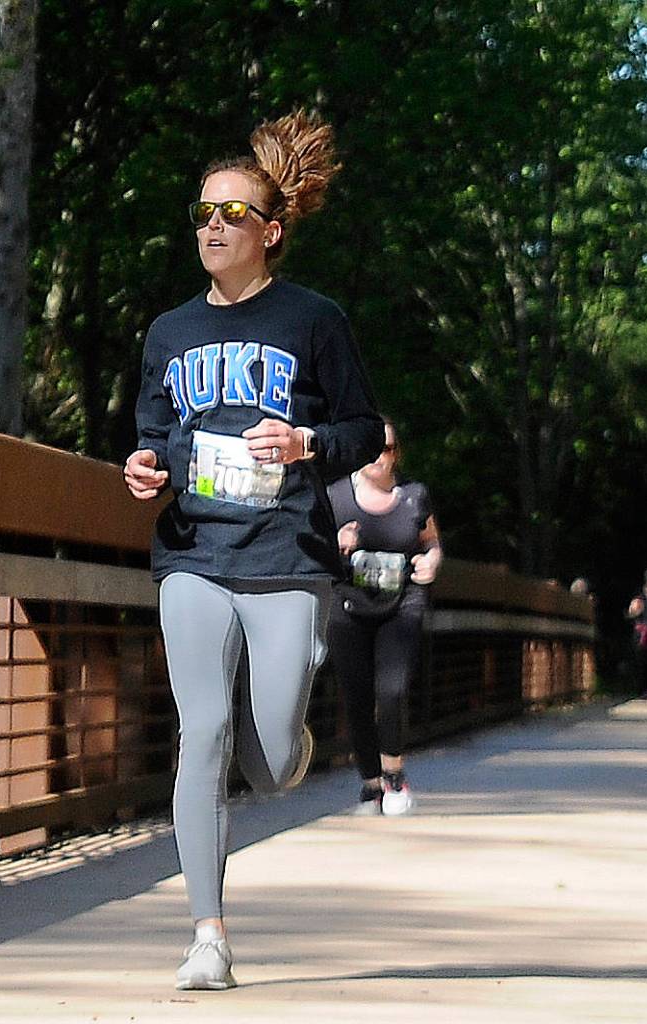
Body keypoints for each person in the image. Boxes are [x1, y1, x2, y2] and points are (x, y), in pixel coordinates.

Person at [123, 109, 384, 990]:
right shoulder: (168, 333)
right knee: (200, 731)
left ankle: (285, 737)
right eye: (201, 211)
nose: (211, 225)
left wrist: (306, 444)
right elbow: (155, 432)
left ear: (269, 232)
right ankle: (208, 934)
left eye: (231, 213)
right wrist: (144, 468)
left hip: (285, 556)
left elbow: (361, 427)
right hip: (192, 553)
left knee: (268, 761)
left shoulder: (314, 320)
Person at [326, 421, 442, 816]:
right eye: (372, 446)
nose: (379, 455)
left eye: (387, 447)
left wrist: (432, 561)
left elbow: (431, 541)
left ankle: (394, 772)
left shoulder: (414, 496)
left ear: (397, 453)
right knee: (356, 696)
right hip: (348, 606)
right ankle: (370, 783)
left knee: (391, 689)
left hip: (402, 603)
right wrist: (336, 544)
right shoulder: (336, 495)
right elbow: (308, 550)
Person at [626, 566, 647, 697]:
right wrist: (634, 610)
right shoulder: (639, 597)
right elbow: (631, 613)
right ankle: (643, 688)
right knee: (642, 662)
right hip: (642, 635)